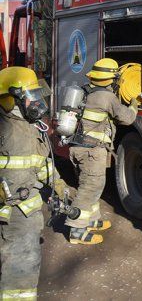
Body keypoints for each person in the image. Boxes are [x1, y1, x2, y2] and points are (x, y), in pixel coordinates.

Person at [0, 66, 62, 300]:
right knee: (20, 278)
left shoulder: (29, 126)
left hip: (27, 213)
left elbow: (40, 163)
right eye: (30, 97)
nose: (36, 103)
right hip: (16, 215)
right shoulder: (7, 129)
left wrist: (59, 184)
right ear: (10, 99)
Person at [65, 58, 138, 245]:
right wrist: (134, 105)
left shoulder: (83, 90)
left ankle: (91, 220)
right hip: (92, 151)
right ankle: (77, 230)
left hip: (78, 148)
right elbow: (126, 118)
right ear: (111, 79)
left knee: (92, 184)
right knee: (89, 188)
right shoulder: (107, 97)